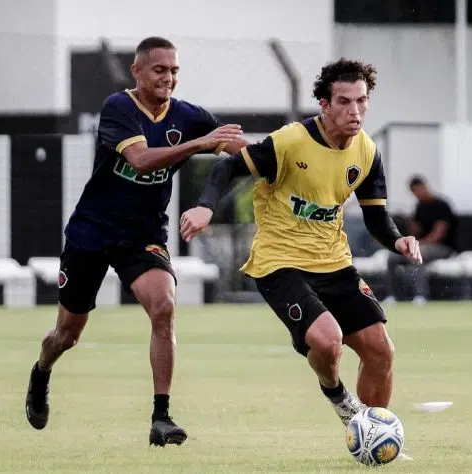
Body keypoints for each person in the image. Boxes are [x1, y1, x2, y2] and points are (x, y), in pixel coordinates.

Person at [24, 36, 247, 447]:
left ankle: (161, 417)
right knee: (66, 335)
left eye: (175, 70)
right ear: (137, 71)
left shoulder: (189, 116)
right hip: (92, 232)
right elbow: (141, 159)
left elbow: (239, 150)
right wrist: (199, 144)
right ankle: (41, 372)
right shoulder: (119, 108)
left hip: (142, 235)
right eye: (160, 70)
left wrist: (282, 157)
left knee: (163, 306)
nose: (168, 78)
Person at [179, 58, 422, 427]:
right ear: (324, 105)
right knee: (327, 341)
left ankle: (373, 436)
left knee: (381, 351)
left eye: (361, 100)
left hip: (335, 264)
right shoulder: (291, 142)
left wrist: (398, 240)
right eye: (343, 101)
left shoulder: (367, 152)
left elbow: (375, 216)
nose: (354, 110)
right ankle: (339, 397)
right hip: (280, 264)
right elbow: (228, 166)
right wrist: (204, 207)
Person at [385, 175, 457, 304]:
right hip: (422, 245)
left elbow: (438, 235)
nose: (418, 194)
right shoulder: (420, 207)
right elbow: (416, 231)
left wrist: (417, 245)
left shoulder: (442, 206)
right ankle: (394, 295)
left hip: (443, 248)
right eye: (415, 192)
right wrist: (408, 222)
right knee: (392, 257)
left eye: (419, 190)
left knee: (417, 253)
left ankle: (421, 295)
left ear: (425, 187)